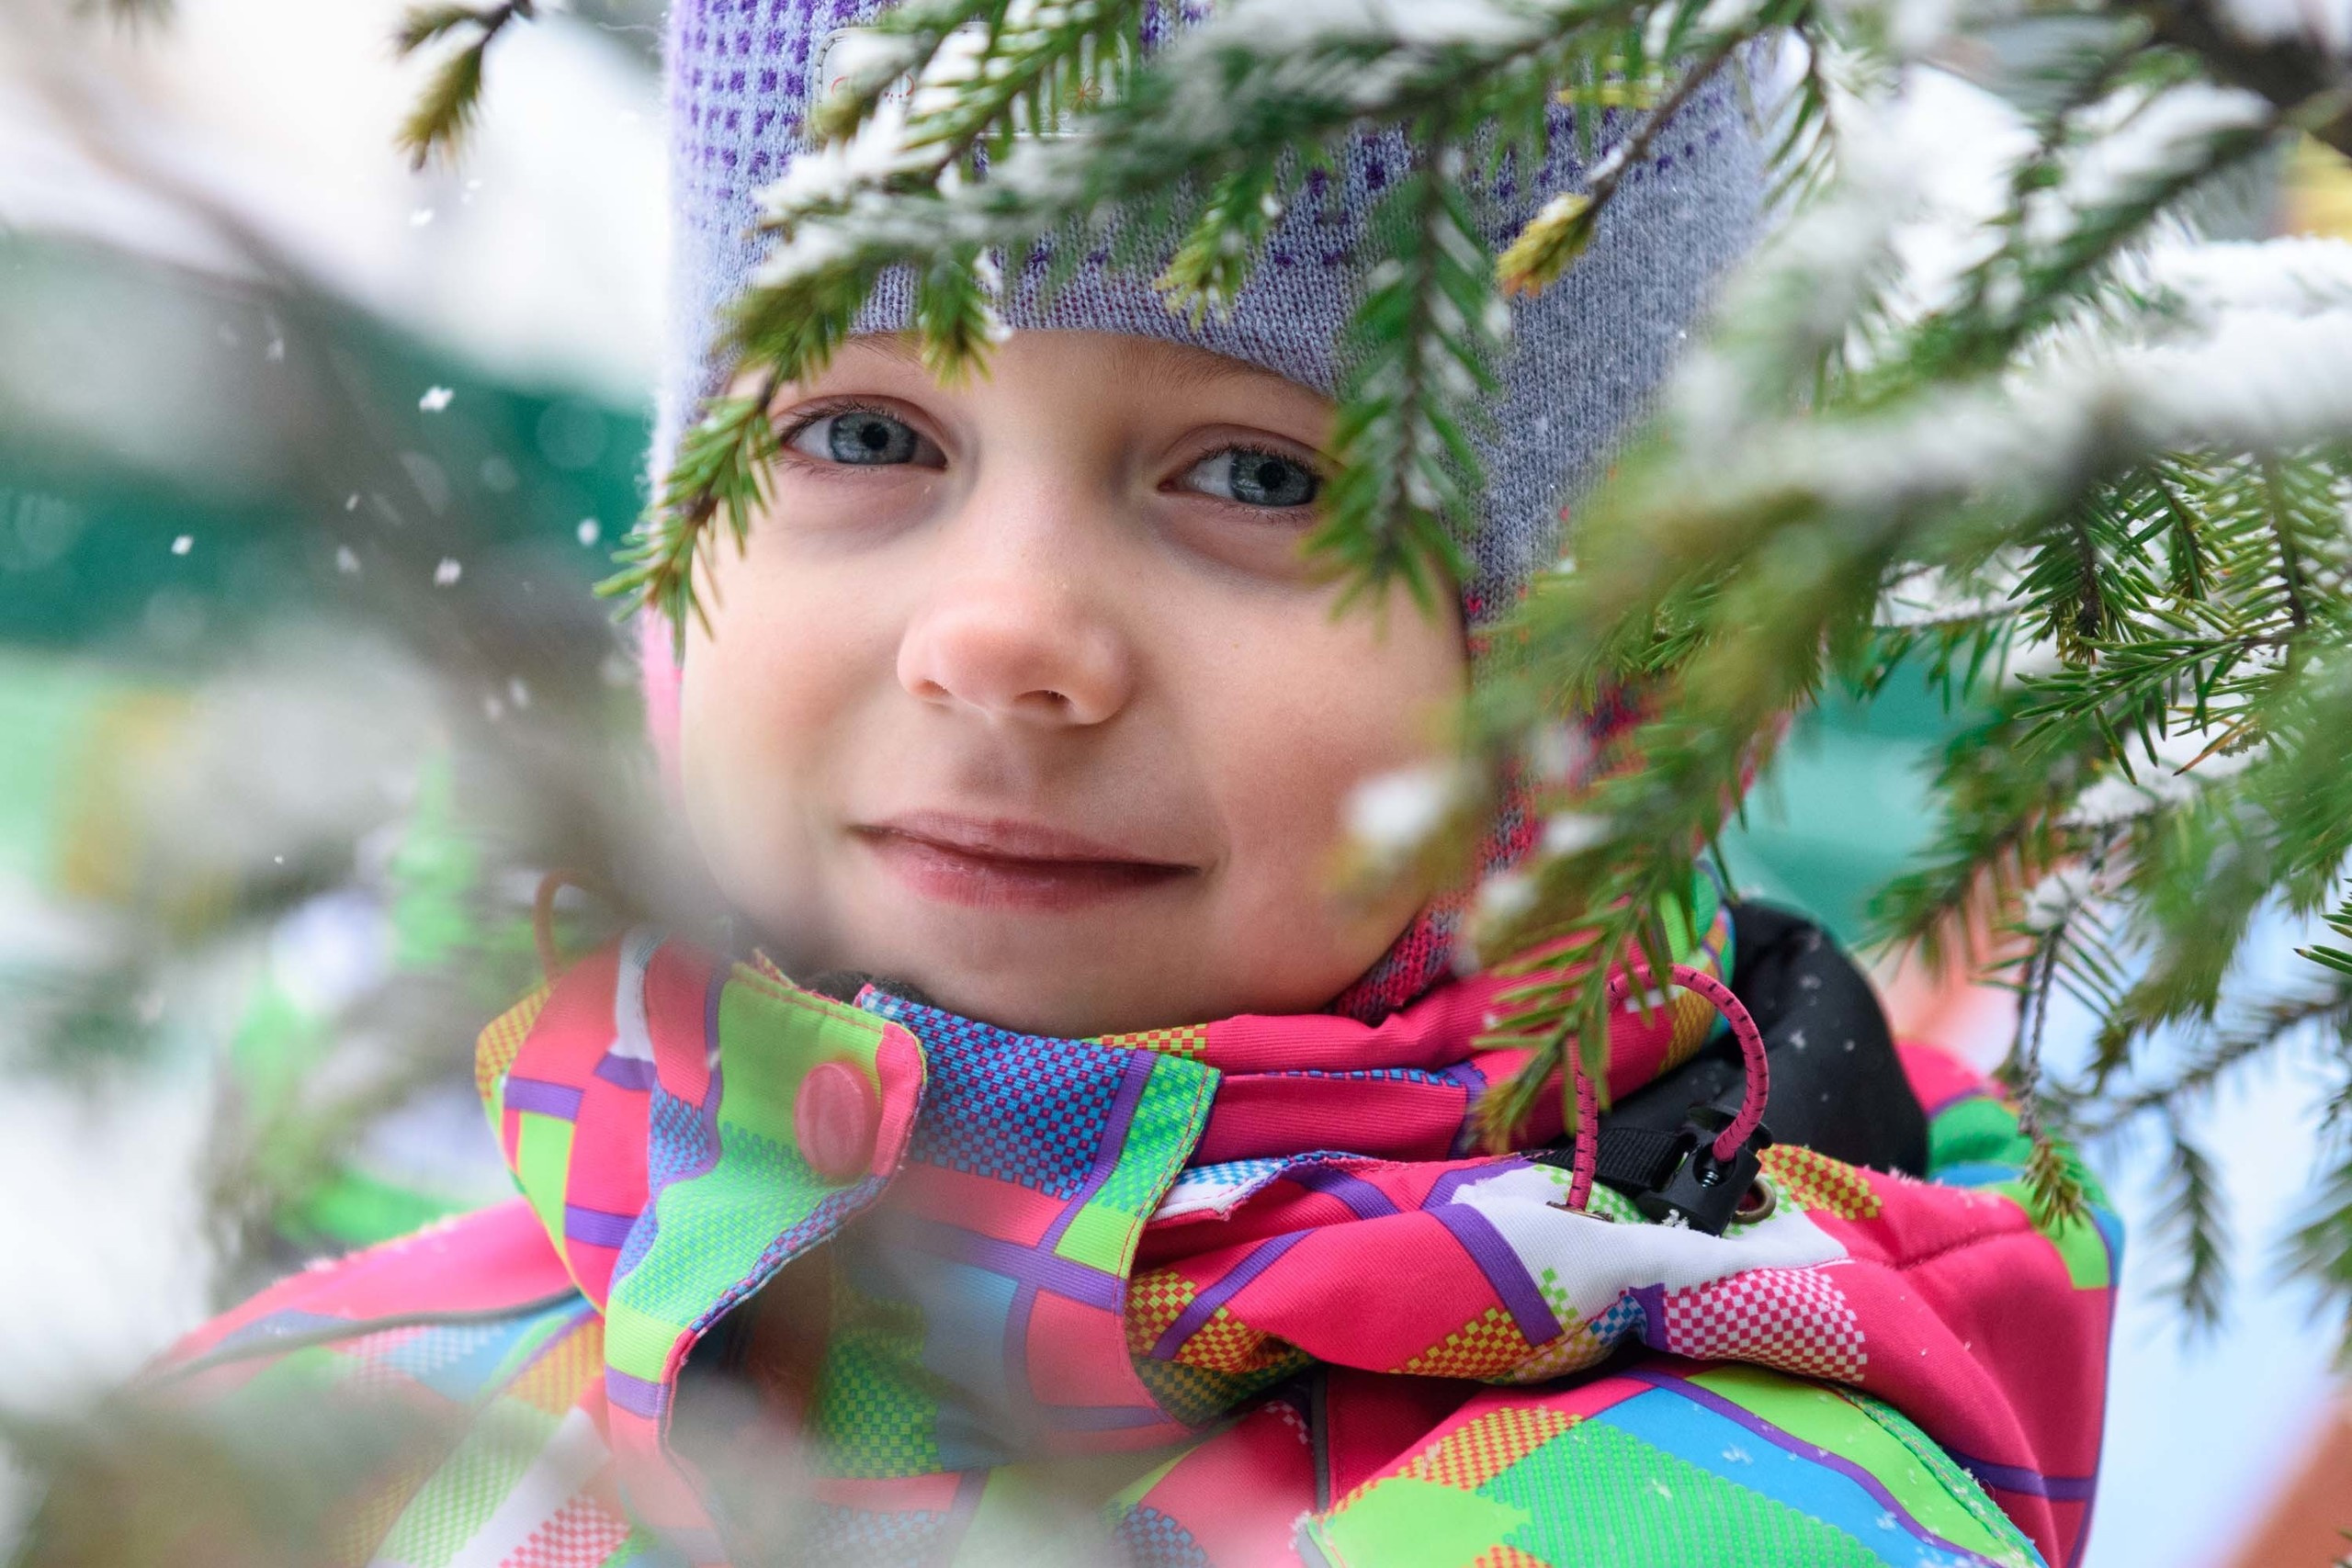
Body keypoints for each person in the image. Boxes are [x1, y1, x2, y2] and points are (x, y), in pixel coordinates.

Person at [143, 5, 2117, 1564]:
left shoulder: (1695, 1502)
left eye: (1257, 475)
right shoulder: (347, 1391)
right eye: (862, 427)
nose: (999, 633)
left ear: (1598, 689)